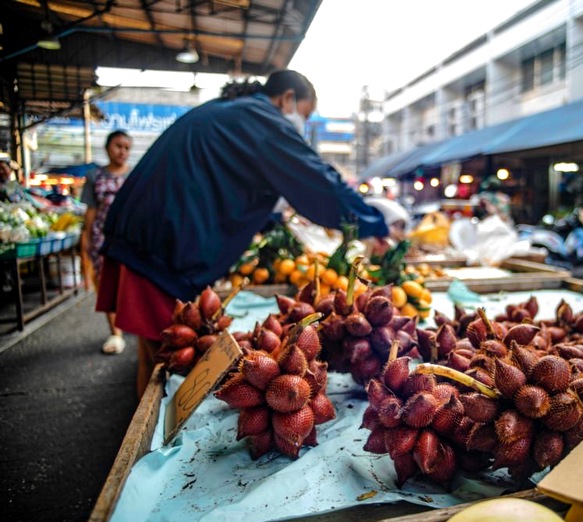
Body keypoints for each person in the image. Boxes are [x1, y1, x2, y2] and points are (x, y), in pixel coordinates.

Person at [97, 70, 389, 397]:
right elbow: (317, 183)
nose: (302, 125)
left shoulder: (237, 113)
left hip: (152, 234)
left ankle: (148, 436)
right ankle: (148, 443)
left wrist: (268, 221)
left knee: (156, 358)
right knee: (163, 366)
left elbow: (227, 182)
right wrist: (374, 224)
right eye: (304, 116)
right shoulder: (261, 120)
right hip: (159, 242)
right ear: (287, 99)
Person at [80, 130, 132, 354]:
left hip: (130, 241)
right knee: (108, 286)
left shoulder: (135, 175)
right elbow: (91, 212)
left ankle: (128, 323)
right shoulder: (94, 177)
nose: (122, 151)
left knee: (128, 286)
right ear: (107, 147)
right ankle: (116, 333)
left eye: (127, 147)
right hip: (103, 240)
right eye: (118, 146)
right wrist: (86, 239)